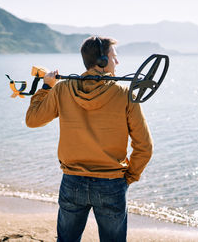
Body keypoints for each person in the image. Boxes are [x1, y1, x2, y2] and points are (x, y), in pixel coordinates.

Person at [26, 36, 153, 242]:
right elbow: (144, 147)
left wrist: (47, 86)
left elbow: (33, 119)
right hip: (111, 184)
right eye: (114, 57)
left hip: (72, 181)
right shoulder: (125, 94)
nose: (117, 62)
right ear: (102, 61)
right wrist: (128, 178)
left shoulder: (62, 88)